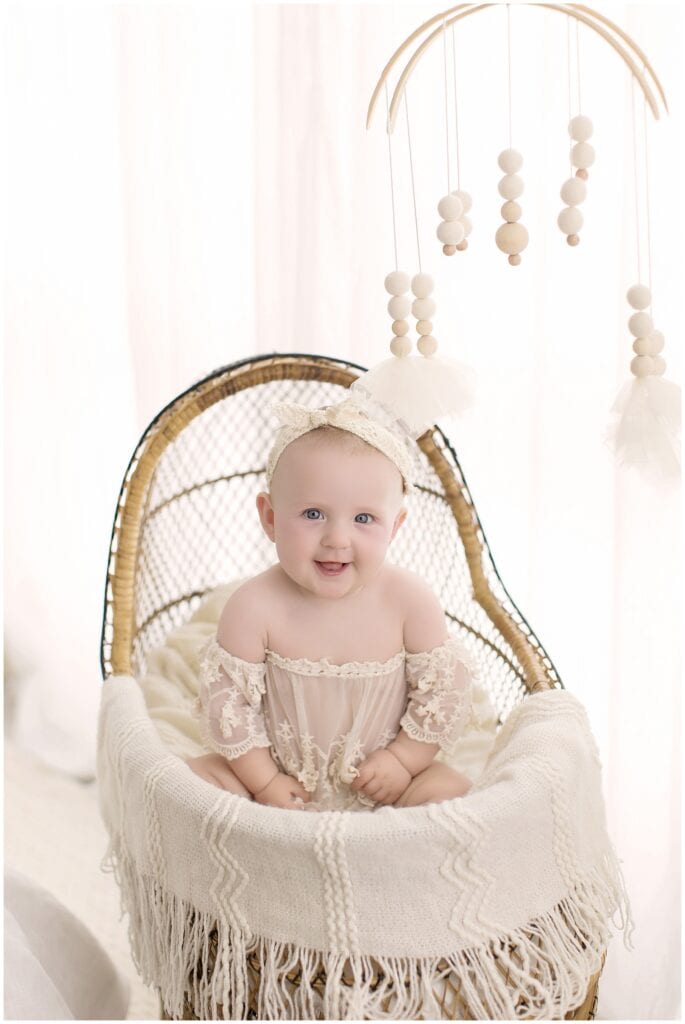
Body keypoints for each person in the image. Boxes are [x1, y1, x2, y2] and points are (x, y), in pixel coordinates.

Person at [187, 394, 476, 812]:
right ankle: (261, 835)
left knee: (452, 788)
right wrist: (264, 779)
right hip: (277, 786)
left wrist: (403, 759)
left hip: (387, 788)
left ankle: (393, 851)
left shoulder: (409, 601)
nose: (337, 539)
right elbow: (227, 708)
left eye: (363, 519)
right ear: (269, 517)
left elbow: (444, 694)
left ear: (395, 527)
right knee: (197, 777)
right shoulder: (253, 606)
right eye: (313, 514)